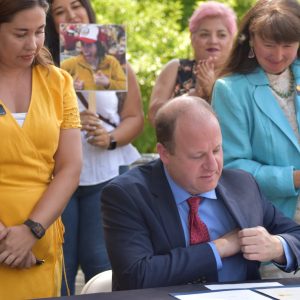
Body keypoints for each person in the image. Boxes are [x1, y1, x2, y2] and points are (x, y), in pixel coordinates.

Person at [101, 96, 300, 291]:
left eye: (216, 150)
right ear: (164, 154)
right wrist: (219, 248)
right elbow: (136, 276)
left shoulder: (242, 185)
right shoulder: (127, 195)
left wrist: (276, 246)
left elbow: (296, 236)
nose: (212, 166)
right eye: (198, 156)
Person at [45, 0, 144, 295]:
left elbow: (135, 117)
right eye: (60, 11)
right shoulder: (41, 65)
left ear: (89, 10)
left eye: (76, 5)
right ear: (49, 21)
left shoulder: (115, 59)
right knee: (60, 263)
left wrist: (110, 138)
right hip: (56, 176)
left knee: (101, 262)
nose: (71, 15)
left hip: (106, 173)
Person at [211, 0, 300, 278]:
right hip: (274, 232)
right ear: (250, 40)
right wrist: (293, 178)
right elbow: (233, 168)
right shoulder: (230, 90)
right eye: (269, 44)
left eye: (288, 44)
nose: (279, 54)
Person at [0, 0, 82, 299]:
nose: (33, 44)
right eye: (20, 33)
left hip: (41, 238)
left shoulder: (59, 81)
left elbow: (70, 168)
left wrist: (31, 231)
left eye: (39, 31)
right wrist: (6, 242)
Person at [148, 1, 237, 125]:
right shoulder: (176, 68)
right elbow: (154, 116)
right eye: (204, 34)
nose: (213, 40)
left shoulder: (241, 74)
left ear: (232, 40)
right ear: (192, 38)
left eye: (221, 35)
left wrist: (213, 91)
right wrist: (194, 95)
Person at [61, 24, 127, 91]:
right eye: (83, 44)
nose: (85, 50)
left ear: (99, 45)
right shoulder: (73, 62)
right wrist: (70, 85)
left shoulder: (112, 62)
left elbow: (125, 85)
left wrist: (108, 83)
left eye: (89, 45)